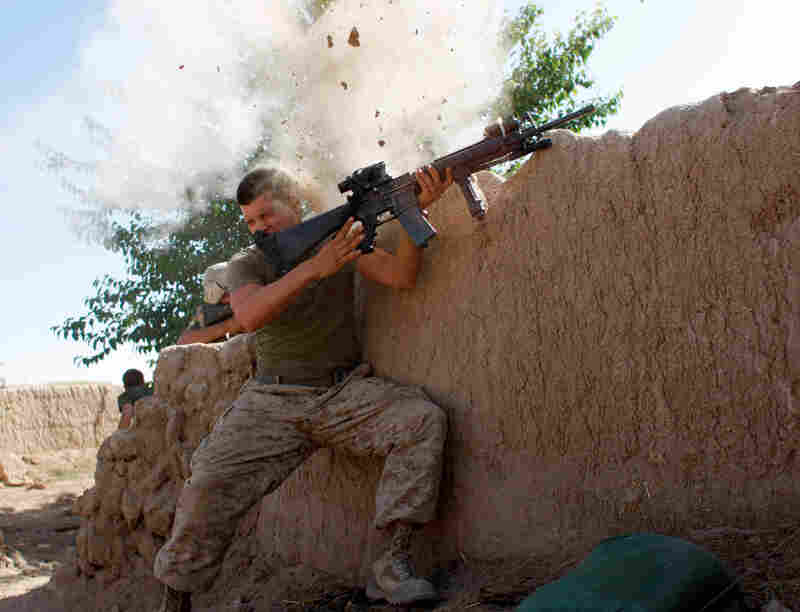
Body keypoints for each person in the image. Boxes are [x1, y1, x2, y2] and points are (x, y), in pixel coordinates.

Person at [153, 164, 454, 612]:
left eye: (266, 215)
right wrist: (316, 267)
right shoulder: (247, 264)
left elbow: (401, 278)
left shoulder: (340, 239)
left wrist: (415, 210)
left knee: (422, 421)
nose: (259, 228)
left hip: (341, 394)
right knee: (209, 480)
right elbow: (251, 315)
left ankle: (390, 566)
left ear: (294, 204)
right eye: (251, 221)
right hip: (272, 400)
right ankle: (175, 594)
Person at [176, 263, 244, 345]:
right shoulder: (212, 311)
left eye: (226, 295)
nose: (225, 300)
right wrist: (228, 325)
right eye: (221, 298)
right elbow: (183, 342)